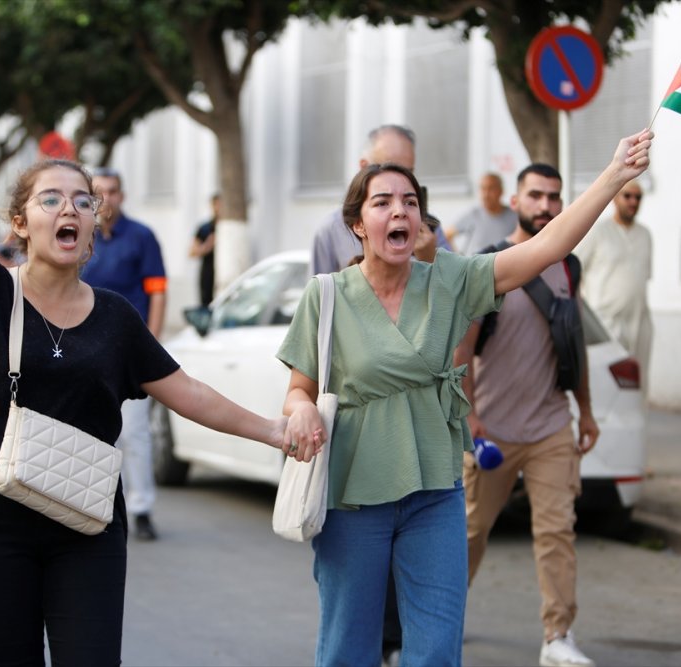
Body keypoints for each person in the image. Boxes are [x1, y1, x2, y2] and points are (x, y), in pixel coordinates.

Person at [0, 46, 296, 665]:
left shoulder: (118, 318)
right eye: (50, 199)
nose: (68, 207)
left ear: (95, 223)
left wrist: (274, 431)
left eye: (83, 200)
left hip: (85, 518)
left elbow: (188, 392)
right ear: (19, 223)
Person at [278, 128, 653, 666]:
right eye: (382, 203)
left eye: (411, 202)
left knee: (435, 651)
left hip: (435, 493)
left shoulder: (452, 280)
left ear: (422, 222)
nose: (399, 212)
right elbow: (297, 390)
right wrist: (303, 409)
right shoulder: (327, 295)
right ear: (359, 224)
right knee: (347, 648)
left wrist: (615, 174)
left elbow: (548, 246)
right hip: (354, 496)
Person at [454, 163, 597, 667]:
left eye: (554, 197)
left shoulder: (568, 266)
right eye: (535, 195)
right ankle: (446, 616)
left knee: (557, 530)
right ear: (515, 201)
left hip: (551, 427)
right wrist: (469, 417)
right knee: (471, 531)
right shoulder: (489, 264)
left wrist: (587, 412)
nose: (546, 206)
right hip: (491, 429)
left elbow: (572, 342)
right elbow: (462, 349)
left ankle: (558, 635)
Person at [80, 166, 168, 541]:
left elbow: (158, 292)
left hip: (130, 352)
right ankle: (91, 506)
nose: (107, 199)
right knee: (90, 433)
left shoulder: (142, 238)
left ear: (122, 195)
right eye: (99, 193)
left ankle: (141, 508)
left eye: (113, 191)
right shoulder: (80, 236)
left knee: (134, 434)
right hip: (84, 352)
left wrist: (151, 346)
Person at [310, 124, 450, 275]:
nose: (399, 211)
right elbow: (321, 294)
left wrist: (431, 260)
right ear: (358, 225)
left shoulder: (429, 230)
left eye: (408, 173)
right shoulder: (331, 230)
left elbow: (457, 291)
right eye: (388, 168)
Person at [573, 180, 653, 392]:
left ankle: (637, 425)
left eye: (638, 197)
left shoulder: (645, 235)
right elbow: (573, 269)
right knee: (606, 386)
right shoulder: (598, 231)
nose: (633, 201)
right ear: (615, 199)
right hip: (605, 322)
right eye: (627, 196)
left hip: (639, 321)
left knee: (639, 383)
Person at [445, 172, 518, 255]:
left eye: (491, 189)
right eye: (483, 189)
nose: (486, 194)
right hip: (476, 266)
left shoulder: (515, 216)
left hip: (506, 266)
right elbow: (447, 235)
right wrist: (457, 259)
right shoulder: (473, 215)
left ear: (501, 191)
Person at [189, 193, 219, 308]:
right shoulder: (205, 228)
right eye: (216, 205)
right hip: (208, 274)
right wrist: (207, 246)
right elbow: (192, 253)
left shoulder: (229, 227)